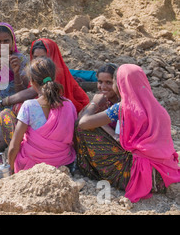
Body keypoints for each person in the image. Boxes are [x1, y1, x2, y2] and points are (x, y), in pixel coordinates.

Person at [76, 64, 180, 203]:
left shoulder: (123, 107)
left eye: (113, 82)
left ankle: (90, 170)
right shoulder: (157, 107)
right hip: (163, 175)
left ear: (119, 84)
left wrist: (94, 103)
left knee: (80, 127)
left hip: (137, 175)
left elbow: (84, 123)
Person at [0, 38, 89, 144]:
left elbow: (31, 92)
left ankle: (22, 141)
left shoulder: (56, 74)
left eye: (43, 57)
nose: (38, 61)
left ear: (52, 57)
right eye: (35, 57)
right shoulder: (38, 74)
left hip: (56, 121)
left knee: (14, 111)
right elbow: (26, 90)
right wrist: (17, 73)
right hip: (62, 146)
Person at [7, 57, 77, 174]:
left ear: (32, 82)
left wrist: (10, 168)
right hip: (64, 163)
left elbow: (14, 145)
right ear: (54, 78)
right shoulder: (69, 105)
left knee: (6, 117)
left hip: (32, 167)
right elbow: (73, 139)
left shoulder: (29, 106)